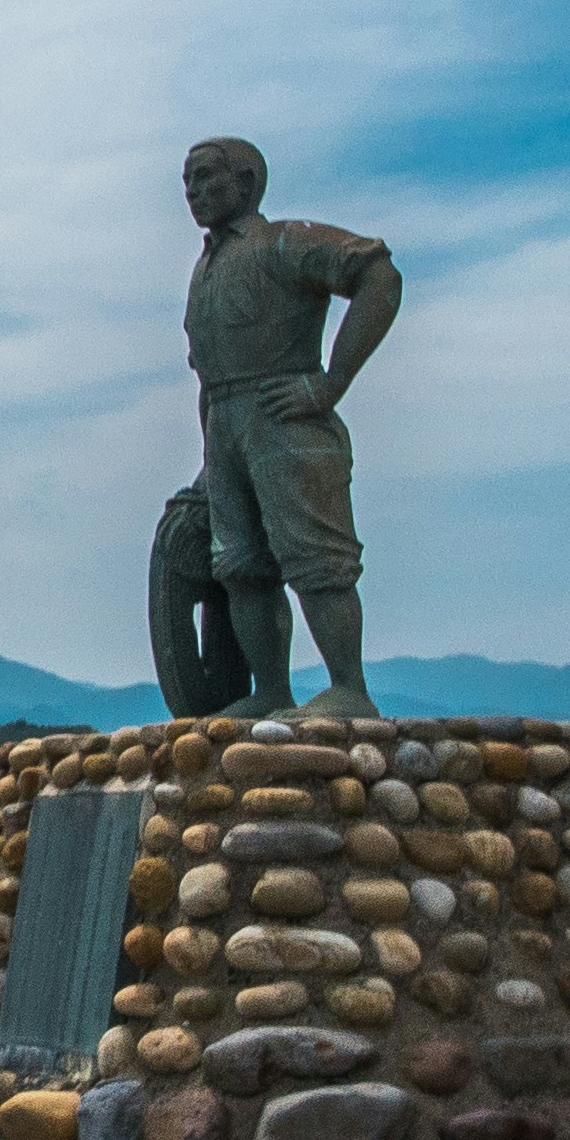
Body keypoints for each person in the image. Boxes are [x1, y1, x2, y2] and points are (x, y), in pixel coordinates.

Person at [178, 134, 402, 720]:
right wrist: (209, 460)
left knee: (314, 556)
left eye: (206, 177)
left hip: (284, 417)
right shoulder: (204, 271)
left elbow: (377, 273)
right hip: (224, 426)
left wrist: (330, 382)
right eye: (187, 181)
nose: (194, 191)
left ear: (246, 183)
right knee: (240, 565)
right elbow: (208, 375)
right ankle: (271, 689)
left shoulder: (282, 243)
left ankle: (348, 687)